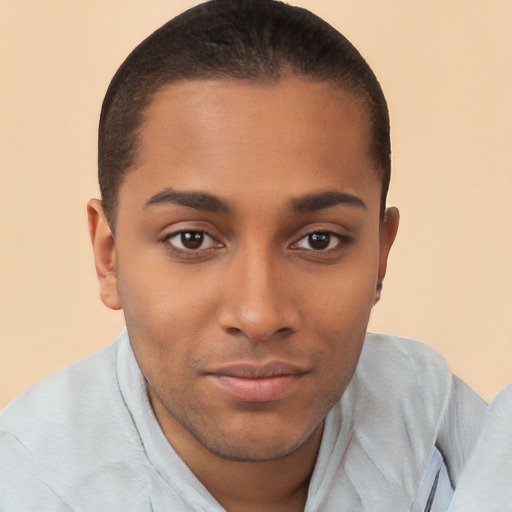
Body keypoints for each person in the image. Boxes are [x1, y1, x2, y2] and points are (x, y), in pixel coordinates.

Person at [0, 0, 500, 510]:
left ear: (380, 255)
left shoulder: (435, 418)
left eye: (319, 240)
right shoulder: (26, 479)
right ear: (109, 256)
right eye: (191, 239)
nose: (259, 315)